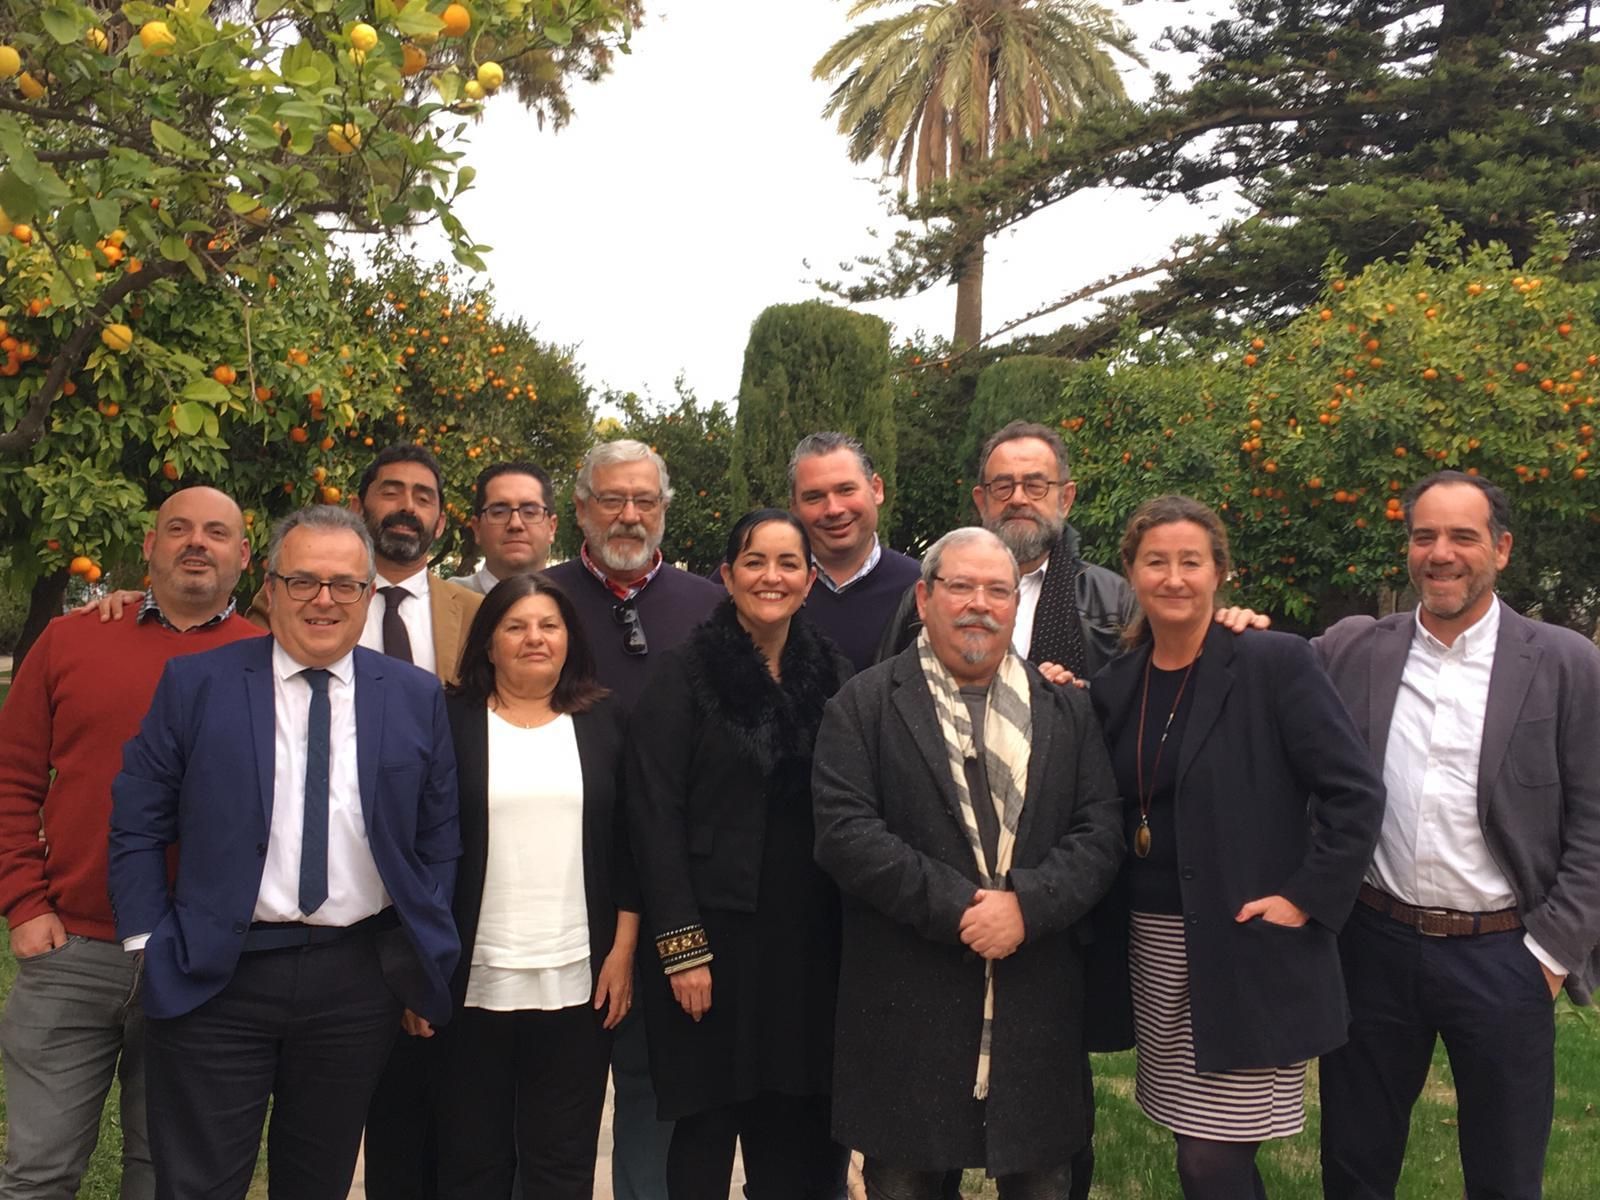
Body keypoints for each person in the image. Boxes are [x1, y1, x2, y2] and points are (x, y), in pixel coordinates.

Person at [107, 504, 461, 1200]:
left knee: (316, 1184)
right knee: (197, 1186)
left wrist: (422, 955)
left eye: (344, 584)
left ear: (367, 593)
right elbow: (138, 822)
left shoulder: (415, 697)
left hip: (355, 982)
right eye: (302, 581)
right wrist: (149, 943)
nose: (323, 600)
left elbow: (437, 839)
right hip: (217, 977)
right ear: (269, 588)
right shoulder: (196, 684)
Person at [1086, 495, 1383, 1200]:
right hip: (1155, 947)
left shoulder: (1272, 663)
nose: (1174, 578)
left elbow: (1354, 792)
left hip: (1244, 946)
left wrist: (1306, 897)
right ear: (1131, 571)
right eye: (1156, 562)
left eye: (1191, 562)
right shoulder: (1117, 683)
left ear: (1220, 572)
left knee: (1210, 1161)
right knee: (1197, 1147)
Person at [1314, 470, 1600, 1200]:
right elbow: (1263, 684)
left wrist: (1551, 953)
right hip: (1373, 946)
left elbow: (1596, 820)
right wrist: (1231, 624)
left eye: (1462, 537)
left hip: (1505, 957)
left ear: (1500, 549)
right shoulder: (1355, 650)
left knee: (1505, 1176)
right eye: (1424, 536)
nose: (1440, 553)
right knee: (1353, 1165)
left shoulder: (1566, 663)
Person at [813, 526, 1124, 1199]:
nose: (979, 604)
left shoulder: (1066, 710)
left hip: (1034, 1001)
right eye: (961, 587)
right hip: (906, 1004)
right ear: (925, 599)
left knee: (1041, 1182)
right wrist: (961, 909)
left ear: (1015, 605)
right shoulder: (862, 705)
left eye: (997, 590)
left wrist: (1027, 907)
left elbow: (1100, 832)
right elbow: (846, 834)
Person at [0, 487, 260, 1200]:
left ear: (244, 555)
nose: (196, 542)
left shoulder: (268, 659)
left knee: (167, 1175)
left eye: (216, 532)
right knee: (38, 1173)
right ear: (149, 546)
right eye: (178, 528)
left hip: (202, 961)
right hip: (72, 950)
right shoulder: (72, 640)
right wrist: (24, 903)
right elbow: (12, 778)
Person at [628, 509, 854, 1200]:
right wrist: (682, 948)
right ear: (727, 577)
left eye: (789, 563)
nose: (771, 577)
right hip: (711, 944)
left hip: (808, 944)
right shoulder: (682, 674)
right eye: (755, 561)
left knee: (797, 1131)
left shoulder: (834, 674)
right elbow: (653, 815)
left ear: (810, 581)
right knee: (705, 1131)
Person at [544, 438, 720, 1200]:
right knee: (552, 1098)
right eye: (612, 499)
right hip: (560, 882)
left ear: (664, 509)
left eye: (644, 500)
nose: (628, 515)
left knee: (654, 1092)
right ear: (581, 507)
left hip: (673, 882)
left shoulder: (709, 607)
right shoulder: (537, 602)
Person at [435, 573, 640, 1200]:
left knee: (562, 1162)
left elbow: (630, 845)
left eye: (549, 626)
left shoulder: (604, 719)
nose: (534, 639)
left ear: (569, 639)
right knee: (473, 1161)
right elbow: (423, 847)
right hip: (474, 976)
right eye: (516, 626)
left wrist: (623, 951)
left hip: (578, 977)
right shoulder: (449, 720)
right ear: (488, 642)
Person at [876, 421, 1136, 676]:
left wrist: (1070, 695)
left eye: (1035, 487)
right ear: (981, 501)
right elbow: (886, 688)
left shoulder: (1113, 603)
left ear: (1065, 499)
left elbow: (1130, 696)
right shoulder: (931, 592)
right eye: (1003, 487)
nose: (1018, 499)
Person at [787, 432, 920, 672]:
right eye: (814, 497)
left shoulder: (921, 589)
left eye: (846, 490)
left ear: (876, 489)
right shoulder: (758, 586)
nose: (833, 509)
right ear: (794, 508)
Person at [452, 462, 559, 593]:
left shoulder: (576, 599)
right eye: (499, 512)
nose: (515, 524)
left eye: (530, 512)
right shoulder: (442, 600)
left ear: (552, 528)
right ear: (477, 529)